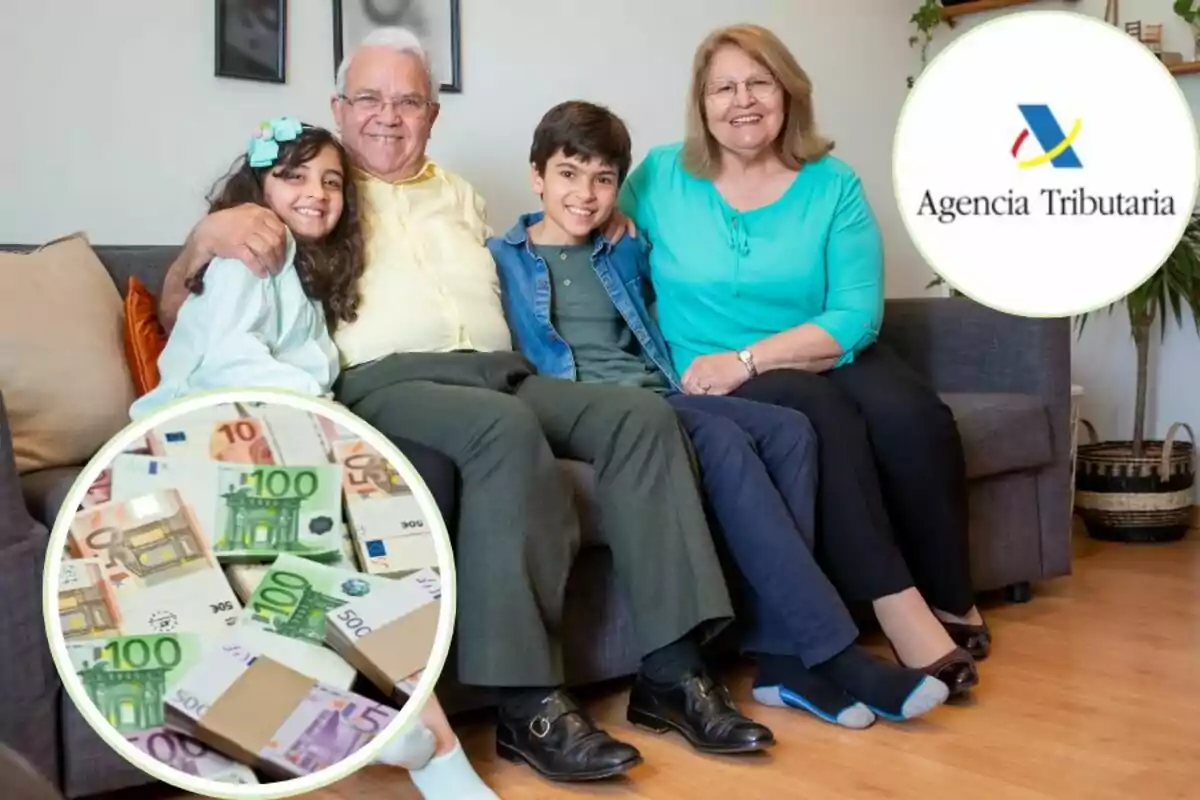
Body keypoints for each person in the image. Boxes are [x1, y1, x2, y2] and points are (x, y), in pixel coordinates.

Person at [156, 28, 775, 785]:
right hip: (387, 382)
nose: (390, 116)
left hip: (498, 369)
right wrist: (204, 237)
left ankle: (673, 677)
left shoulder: (459, 193)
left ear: (431, 115)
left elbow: (540, 243)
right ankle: (529, 705)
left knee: (641, 418)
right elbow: (192, 308)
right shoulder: (310, 189)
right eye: (371, 99)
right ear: (338, 108)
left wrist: (612, 228)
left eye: (409, 100)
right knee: (503, 434)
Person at [488, 99, 952, 727]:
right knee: (728, 444)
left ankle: (783, 662)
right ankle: (837, 653)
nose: (585, 194)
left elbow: (700, 269)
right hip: (590, 412)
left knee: (790, 431)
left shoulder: (623, 245)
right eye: (568, 174)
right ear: (536, 176)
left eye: (603, 180)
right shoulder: (501, 260)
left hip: (661, 393)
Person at [614, 24, 985, 697]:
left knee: (913, 415)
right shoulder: (661, 177)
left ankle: (954, 596)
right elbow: (596, 238)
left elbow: (854, 314)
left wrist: (751, 358)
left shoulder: (831, 183)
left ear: (788, 93)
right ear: (701, 103)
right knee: (826, 416)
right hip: (713, 370)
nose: (742, 100)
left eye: (759, 82)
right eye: (723, 87)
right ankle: (897, 607)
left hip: (818, 347)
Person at [133, 118, 496, 799]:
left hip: (262, 434)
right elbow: (230, 363)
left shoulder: (301, 279)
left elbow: (302, 372)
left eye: (331, 180)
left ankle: (416, 734)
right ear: (256, 190)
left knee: (352, 541)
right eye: (293, 176)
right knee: (321, 536)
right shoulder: (245, 258)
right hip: (190, 436)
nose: (316, 192)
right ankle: (430, 746)